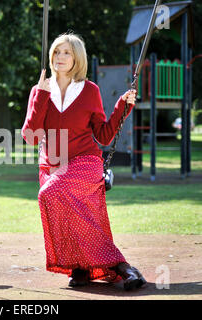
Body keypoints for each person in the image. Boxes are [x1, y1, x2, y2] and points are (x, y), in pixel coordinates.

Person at [21, 33, 146, 291]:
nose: (60, 57)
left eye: (66, 52)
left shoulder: (90, 90)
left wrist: (123, 106)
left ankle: (95, 267)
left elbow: (103, 134)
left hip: (85, 162)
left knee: (51, 192)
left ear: (77, 57)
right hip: (52, 167)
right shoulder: (40, 90)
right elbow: (30, 137)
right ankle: (97, 268)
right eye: (56, 52)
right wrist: (41, 98)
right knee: (65, 207)